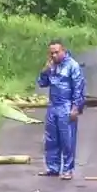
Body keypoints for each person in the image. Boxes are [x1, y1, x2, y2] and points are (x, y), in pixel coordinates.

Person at [36, 40, 86, 180]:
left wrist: (76, 107)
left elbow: (79, 87)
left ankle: (68, 169)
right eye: (51, 53)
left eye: (57, 52)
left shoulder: (72, 66)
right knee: (51, 139)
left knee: (67, 140)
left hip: (67, 105)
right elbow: (42, 83)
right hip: (53, 105)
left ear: (63, 51)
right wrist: (45, 71)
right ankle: (53, 168)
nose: (54, 55)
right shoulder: (51, 66)